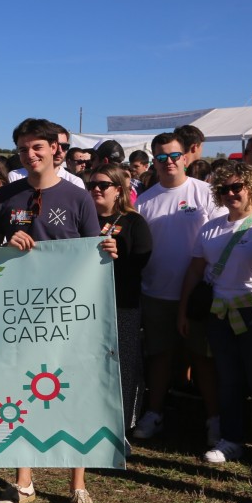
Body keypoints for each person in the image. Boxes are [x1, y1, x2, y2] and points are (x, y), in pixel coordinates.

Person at [0, 118, 116, 503]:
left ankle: (78, 485)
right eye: (23, 148)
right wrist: (7, 246)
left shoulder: (78, 196)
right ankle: (23, 481)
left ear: (55, 149)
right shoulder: (6, 195)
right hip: (19, 312)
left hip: (68, 314)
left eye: (37, 147)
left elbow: (92, 252)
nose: (30, 154)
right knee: (19, 391)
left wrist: (108, 250)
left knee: (75, 391)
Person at [178, 162, 252, 476]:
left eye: (237, 187)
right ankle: (231, 439)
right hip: (219, 314)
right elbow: (195, 271)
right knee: (227, 381)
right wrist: (183, 310)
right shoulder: (210, 228)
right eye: (224, 188)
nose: (230, 193)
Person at [134, 132, 224, 447]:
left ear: (185, 157)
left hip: (199, 292)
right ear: (154, 161)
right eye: (161, 157)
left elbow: (220, 238)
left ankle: (214, 419)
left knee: (203, 358)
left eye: (174, 156)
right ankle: (154, 413)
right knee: (159, 355)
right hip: (156, 291)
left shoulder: (206, 193)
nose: (168, 162)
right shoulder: (144, 200)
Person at [87, 163, 151, 436]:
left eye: (103, 185)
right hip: (88, 306)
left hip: (123, 304)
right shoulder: (84, 220)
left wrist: (118, 255)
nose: (96, 189)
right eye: (92, 185)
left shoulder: (134, 222)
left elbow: (141, 263)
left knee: (124, 364)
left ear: (118, 190)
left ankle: (123, 426)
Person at [7, 124, 85, 189]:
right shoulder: (16, 176)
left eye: (64, 146)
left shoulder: (75, 182)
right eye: (56, 146)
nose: (59, 150)